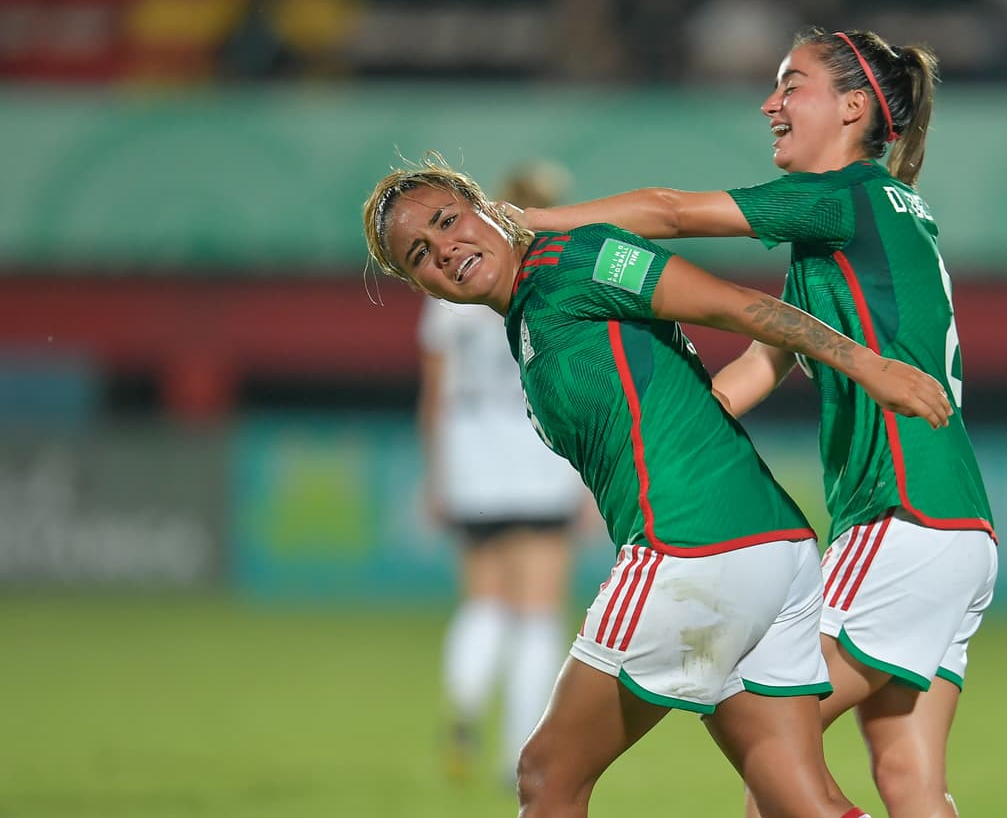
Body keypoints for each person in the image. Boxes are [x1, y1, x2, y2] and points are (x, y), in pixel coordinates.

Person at [362, 155, 954, 818]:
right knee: (799, 799)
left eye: (448, 221)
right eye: (420, 253)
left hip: (691, 547)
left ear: (486, 208)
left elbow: (733, 304)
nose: (445, 249)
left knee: (545, 776)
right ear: (421, 284)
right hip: (770, 553)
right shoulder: (527, 317)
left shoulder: (572, 259)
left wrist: (867, 364)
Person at [512, 28, 998, 818]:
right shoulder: (883, 218)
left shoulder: (842, 196)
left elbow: (669, 212)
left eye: (791, 84)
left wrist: (530, 220)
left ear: (851, 108)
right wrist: (678, 436)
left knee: (776, 761)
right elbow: (761, 364)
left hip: (899, 513)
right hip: (961, 528)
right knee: (908, 778)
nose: (771, 103)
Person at [420, 161, 588, 784]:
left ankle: (465, 701)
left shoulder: (448, 290)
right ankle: (518, 748)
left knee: (483, 598)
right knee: (538, 610)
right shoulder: (546, 280)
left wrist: (436, 475)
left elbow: (433, 396)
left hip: (473, 462)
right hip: (539, 457)